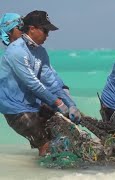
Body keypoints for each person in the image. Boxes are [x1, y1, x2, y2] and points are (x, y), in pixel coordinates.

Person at [0, 10, 81, 156]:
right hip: (14, 108)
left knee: (64, 138)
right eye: (45, 31)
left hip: (32, 104)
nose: (48, 35)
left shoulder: (40, 51)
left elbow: (52, 81)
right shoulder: (16, 51)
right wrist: (58, 103)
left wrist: (71, 104)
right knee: (45, 145)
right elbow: (33, 83)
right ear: (32, 29)